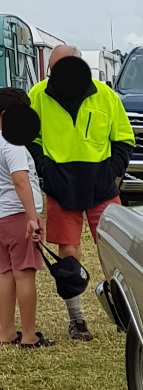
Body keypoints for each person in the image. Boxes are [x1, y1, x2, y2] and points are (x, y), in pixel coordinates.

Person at [28, 45, 134, 341]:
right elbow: (30, 137)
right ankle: (77, 321)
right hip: (60, 186)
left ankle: (124, 318)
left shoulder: (106, 96)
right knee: (69, 254)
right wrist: (45, 169)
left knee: (111, 251)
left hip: (101, 186)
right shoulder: (38, 96)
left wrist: (112, 171)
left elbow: (124, 138)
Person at [0, 89, 48, 348]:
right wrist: (33, 217)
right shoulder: (12, 143)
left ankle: (6, 331)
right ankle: (29, 335)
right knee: (25, 275)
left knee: (4, 274)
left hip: (0, 218)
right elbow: (20, 180)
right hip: (17, 216)